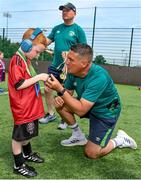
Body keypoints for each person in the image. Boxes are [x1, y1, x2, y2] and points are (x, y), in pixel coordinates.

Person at [46, 43, 137, 159]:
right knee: (60, 105)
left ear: (84, 63)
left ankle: (120, 140)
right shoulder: (72, 71)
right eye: (67, 58)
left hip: (106, 112)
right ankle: (78, 136)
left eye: (70, 59)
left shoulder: (99, 76)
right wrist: (59, 97)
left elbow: (81, 110)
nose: (66, 62)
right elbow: (68, 93)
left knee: (91, 153)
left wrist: (59, 89)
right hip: (87, 104)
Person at [39, 2, 87, 130]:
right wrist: (37, 41)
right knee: (48, 89)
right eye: (63, 10)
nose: (64, 12)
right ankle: (50, 114)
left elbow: (83, 51)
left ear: (74, 13)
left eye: (67, 10)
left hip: (70, 69)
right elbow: (46, 42)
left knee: (66, 93)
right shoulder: (57, 28)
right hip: (55, 66)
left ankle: (64, 118)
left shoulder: (78, 30)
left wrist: (72, 56)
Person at [8, 28, 49, 177]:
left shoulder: (26, 60)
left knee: (27, 133)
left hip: (30, 106)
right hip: (22, 107)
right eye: (37, 51)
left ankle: (27, 154)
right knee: (18, 137)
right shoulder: (17, 60)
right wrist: (40, 77)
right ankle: (18, 165)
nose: (37, 55)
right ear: (26, 45)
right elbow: (19, 84)